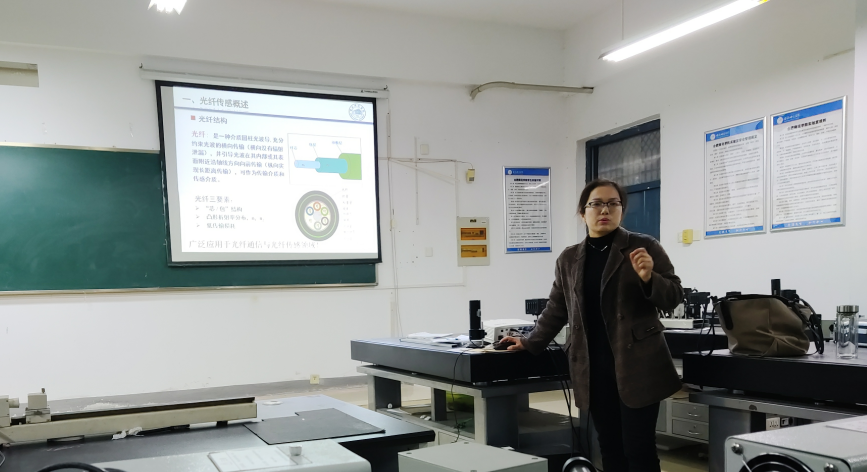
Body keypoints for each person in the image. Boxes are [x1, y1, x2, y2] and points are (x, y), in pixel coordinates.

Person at [501, 179, 683, 472]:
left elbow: (673, 297)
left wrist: (650, 278)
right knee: (609, 447)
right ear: (583, 212)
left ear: (622, 210)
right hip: (592, 367)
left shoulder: (644, 246)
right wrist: (531, 341)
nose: (605, 210)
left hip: (637, 365)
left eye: (613, 203)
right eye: (596, 204)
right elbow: (557, 308)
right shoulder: (569, 258)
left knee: (638, 448)